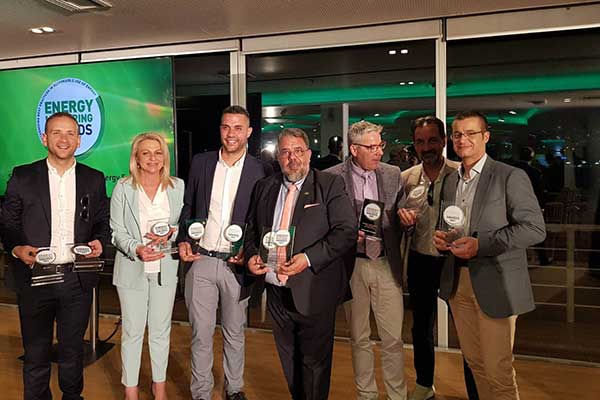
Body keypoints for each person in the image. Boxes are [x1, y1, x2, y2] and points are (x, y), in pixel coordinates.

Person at [433, 111, 546, 400]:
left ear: (486, 136)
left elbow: (534, 229)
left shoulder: (510, 176)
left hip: (496, 283)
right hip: (458, 282)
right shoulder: (451, 180)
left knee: (498, 371)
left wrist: (480, 245)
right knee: (476, 365)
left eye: (471, 133)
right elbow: (452, 224)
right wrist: (443, 238)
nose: (463, 140)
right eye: (457, 134)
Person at [0, 111, 109, 400]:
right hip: (34, 277)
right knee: (36, 353)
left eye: (71, 133)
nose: (64, 139)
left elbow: (101, 220)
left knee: (72, 352)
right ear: (44, 138)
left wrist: (100, 240)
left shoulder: (94, 179)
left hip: (76, 279)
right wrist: (16, 248)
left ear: (79, 140)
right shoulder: (22, 176)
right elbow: (8, 223)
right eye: (56, 132)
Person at [245, 128, 356, 400]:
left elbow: (346, 231)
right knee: (289, 359)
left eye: (297, 151)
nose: (292, 158)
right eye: (285, 152)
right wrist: (251, 256)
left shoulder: (329, 184)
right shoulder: (264, 187)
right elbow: (251, 231)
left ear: (308, 154)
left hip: (313, 288)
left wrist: (307, 259)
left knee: (314, 365)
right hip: (275, 288)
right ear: (277, 157)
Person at [177, 105, 272, 400]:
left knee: (234, 332)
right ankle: (201, 393)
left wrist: (251, 250)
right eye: (226, 127)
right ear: (220, 129)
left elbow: (262, 220)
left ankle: (234, 389)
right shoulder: (201, 162)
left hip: (237, 263)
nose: (231, 134)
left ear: (249, 132)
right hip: (202, 259)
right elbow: (188, 206)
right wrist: (183, 239)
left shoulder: (261, 170)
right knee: (200, 334)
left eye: (238, 128)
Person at [398, 116, 478, 400]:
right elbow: (399, 223)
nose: (426, 147)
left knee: (466, 330)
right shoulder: (406, 178)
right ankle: (424, 384)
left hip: (454, 262)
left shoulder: (461, 174)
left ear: (444, 141)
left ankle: (475, 390)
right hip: (420, 260)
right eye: (420, 142)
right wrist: (404, 222)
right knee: (421, 327)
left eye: (433, 140)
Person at [327, 121, 406, 400]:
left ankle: (397, 396)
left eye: (380, 145)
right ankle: (366, 394)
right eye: (371, 147)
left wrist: (407, 218)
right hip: (353, 265)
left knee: (393, 338)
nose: (379, 152)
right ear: (353, 149)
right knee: (359, 336)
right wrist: (348, 234)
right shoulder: (332, 177)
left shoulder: (393, 174)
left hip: (385, 263)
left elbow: (400, 215)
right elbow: (326, 223)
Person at [110, 133, 185, 400]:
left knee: (160, 332)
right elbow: (116, 232)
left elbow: (182, 225)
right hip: (132, 268)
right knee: (132, 332)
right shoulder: (123, 188)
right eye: (146, 153)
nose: (153, 158)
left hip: (165, 269)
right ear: (136, 158)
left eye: (158, 152)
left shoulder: (177, 186)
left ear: (164, 157)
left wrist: (173, 232)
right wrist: (136, 249)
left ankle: (159, 387)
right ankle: (130, 390)